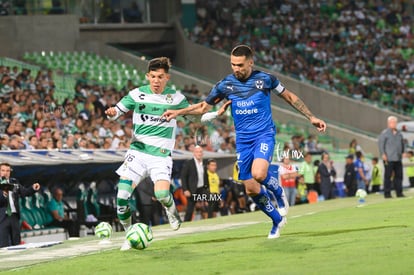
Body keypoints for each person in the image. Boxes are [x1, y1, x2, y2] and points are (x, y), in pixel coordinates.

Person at [163, 45, 327, 239]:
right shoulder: (225, 85)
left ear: (251, 62)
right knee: (250, 188)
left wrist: (311, 117)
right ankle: (276, 221)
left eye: (240, 65)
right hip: (243, 141)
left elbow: (290, 97)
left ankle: (277, 189)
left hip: (264, 134)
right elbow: (202, 107)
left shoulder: (265, 79)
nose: (236, 69)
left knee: (259, 174)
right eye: (233, 64)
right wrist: (178, 112)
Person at [105, 57, 189, 250]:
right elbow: (118, 110)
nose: (156, 81)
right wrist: (112, 113)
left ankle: (171, 209)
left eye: (160, 77)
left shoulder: (176, 98)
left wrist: (209, 113)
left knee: (161, 194)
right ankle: (129, 234)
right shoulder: (137, 94)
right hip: (137, 153)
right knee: (121, 198)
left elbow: (192, 114)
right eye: (153, 77)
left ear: (167, 77)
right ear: (147, 76)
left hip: (160, 156)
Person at [0, 162, 41, 248]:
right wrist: (3, 195)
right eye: (3, 170)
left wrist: (33, 188)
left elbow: (24, 192)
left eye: (8, 171)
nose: (5, 173)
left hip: (14, 216)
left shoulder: (14, 182)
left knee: (16, 243)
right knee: (3, 244)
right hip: (2, 217)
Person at [378, 116, 405, 198]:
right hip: (389, 158)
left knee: (399, 176)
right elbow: (381, 144)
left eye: (394, 122)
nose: (393, 124)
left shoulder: (399, 133)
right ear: (388, 123)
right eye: (392, 122)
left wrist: (403, 152)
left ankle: (399, 192)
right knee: (388, 176)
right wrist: (383, 154)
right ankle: (387, 193)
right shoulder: (384, 133)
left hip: (398, 157)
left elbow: (402, 144)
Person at [180, 146, 209, 221]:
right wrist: (185, 189)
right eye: (197, 152)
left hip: (202, 188)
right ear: (194, 153)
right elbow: (183, 177)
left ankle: (208, 221)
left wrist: (207, 188)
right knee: (190, 209)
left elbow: (205, 176)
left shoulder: (204, 163)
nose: (199, 153)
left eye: (200, 152)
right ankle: (186, 223)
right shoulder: (189, 163)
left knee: (208, 204)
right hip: (192, 189)